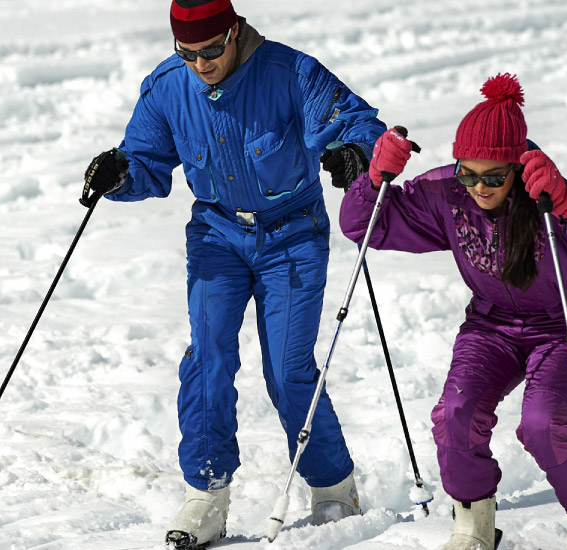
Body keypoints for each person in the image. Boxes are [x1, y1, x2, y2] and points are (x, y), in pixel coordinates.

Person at [78, 0, 387, 547]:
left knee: (288, 369)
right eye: (188, 52)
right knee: (208, 356)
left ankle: (333, 486)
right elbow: (146, 162)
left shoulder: (290, 72)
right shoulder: (168, 86)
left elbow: (356, 122)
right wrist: (119, 173)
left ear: (235, 31)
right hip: (218, 233)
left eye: (212, 50)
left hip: (292, 231)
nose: (202, 64)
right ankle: (207, 493)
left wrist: (353, 154)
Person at [338, 73, 567, 550]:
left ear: (517, 169)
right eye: (467, 173)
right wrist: (374, 180)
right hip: (491, 325)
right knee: (455, 411)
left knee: (543, 423)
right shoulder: (446, 194)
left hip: (565, 325)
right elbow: (364, 226)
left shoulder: (547, 196)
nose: (478, 187)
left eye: (493, 177)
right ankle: (474, 523)